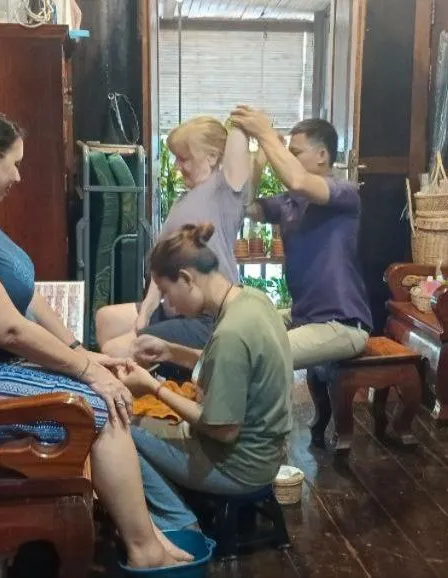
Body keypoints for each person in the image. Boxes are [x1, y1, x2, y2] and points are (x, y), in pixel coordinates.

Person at [0, 107, 189, 569]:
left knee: (108, 385)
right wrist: (85, 370)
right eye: (14, 163)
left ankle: (148, 537)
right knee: (96, 404)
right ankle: (145, 549)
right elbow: (4, 327)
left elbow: (27, 297)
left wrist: (82, 352)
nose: (18, 176)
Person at [117, 222, 294, 532]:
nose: (169, 305)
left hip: (239, 468)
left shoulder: (231, 333)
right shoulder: (251, 300)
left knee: (117, 430)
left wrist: (153, 387)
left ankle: (179, 522)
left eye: (168, 294)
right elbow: (234, 366)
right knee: (137, 420)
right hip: (266, 455)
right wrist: (170, 351)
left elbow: (222, 429)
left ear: (186, 279)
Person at [94, 116, 254, 380]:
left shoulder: (226, 192)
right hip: (173, 302)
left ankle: (127, 397)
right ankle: (142, 387)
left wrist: (238, 119)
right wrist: (145, 311)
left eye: (185, 159)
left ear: (212, 157)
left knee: (114, 350)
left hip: (205, 317)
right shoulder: (183, 201)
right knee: (105, 318)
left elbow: (238, 138)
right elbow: (163, 266)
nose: (178, 167)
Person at [226, 107, 372, 369]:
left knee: (258, 358)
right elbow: (243, 206)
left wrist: (265, 133)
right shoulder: (288, 202)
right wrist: (258, 161)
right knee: (239, 328)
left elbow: (297, 179)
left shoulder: (345, 193)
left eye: (296, 153)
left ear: (322, 155)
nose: (289, 158)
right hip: (304, 318)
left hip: (342, 325)